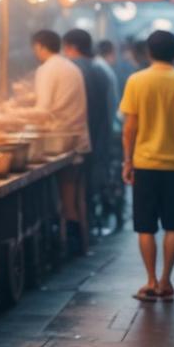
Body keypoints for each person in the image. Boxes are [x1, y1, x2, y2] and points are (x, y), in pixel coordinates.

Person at [120, 30, 174, 303]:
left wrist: (127, 160)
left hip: (145, 163)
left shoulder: (137, 81)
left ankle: (150, 280)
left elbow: (129, 127)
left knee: (145, 227)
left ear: (148, 52)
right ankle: (166, 280)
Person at [33, 30, 91, 251]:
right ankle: (78, 240)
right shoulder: (70, 66)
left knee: (65, 196)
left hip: (60, 138)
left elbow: (43, 109)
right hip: (76, 138)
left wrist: (9, 114)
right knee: (73, 193)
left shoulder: (47, 69)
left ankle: (69, 241)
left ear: (40, 46)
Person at [63, 30, 114, 234]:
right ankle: (89, 222)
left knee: (77, 186)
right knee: (88, 183)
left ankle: (78, 229)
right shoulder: (99, 68)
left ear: (71, 46)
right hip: (98, 132)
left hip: (81, 135)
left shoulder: (75, 68)